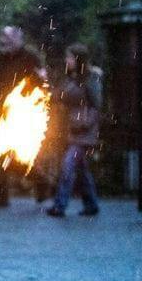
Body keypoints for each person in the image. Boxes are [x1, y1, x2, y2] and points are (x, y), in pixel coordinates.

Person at [0, 24, 44, 207]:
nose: (4, 42)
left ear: (19, 39)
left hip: (23, 112)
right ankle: (1, 196)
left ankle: (41, 181)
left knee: (17, 155)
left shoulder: (30, 57)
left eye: (9, 39)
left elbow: (42, 81)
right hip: (0, 112)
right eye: (3, 38)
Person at [46, 43, 102, 218]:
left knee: (68, 166)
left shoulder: (91, 79)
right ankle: (91, 204)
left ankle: (59, 205)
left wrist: (86, 123)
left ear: (78, 59)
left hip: (84, 133)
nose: (67, 60)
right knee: (82, 170)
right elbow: (58, 96)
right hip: (74, 131)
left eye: (69, 57)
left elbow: (96, 105)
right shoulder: (72, 78)